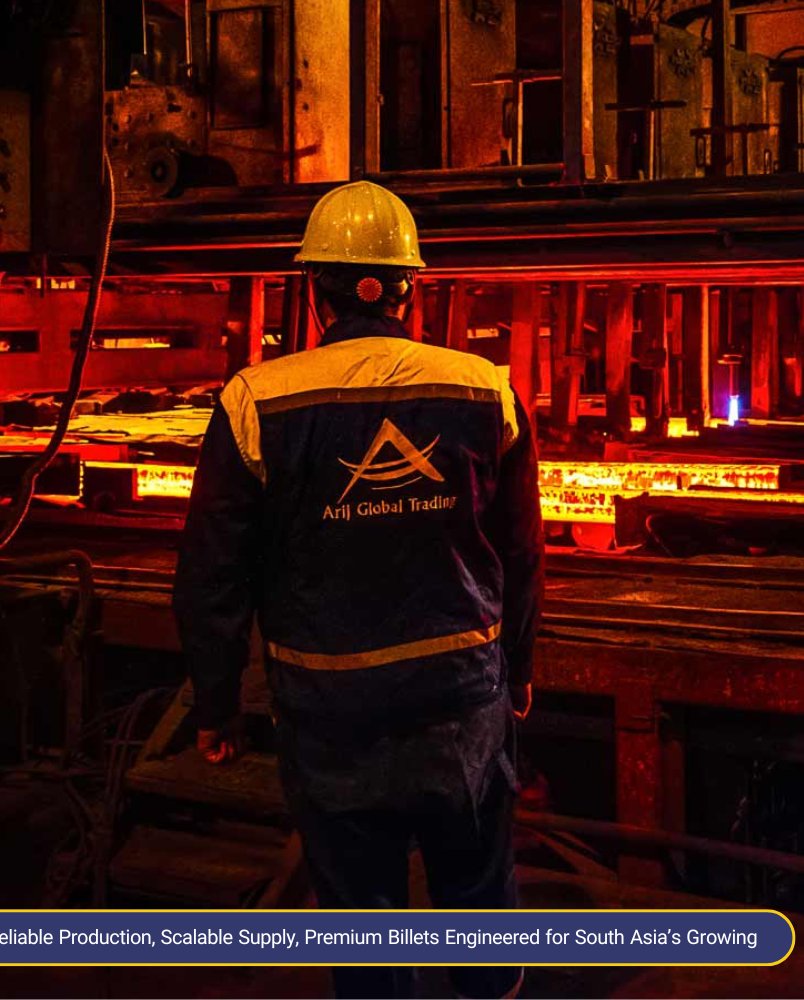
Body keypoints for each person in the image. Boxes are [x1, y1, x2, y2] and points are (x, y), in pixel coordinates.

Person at [173, 180, 543, 1000]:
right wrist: (518, 672)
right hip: (459, 699)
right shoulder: (487, 389)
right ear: (410, 288)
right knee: (478, 900)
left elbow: (210, 575)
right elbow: (521, 555)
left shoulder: (256, 399)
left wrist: (216, 705)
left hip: (329, 704)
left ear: (316, 290)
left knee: (364, 920)